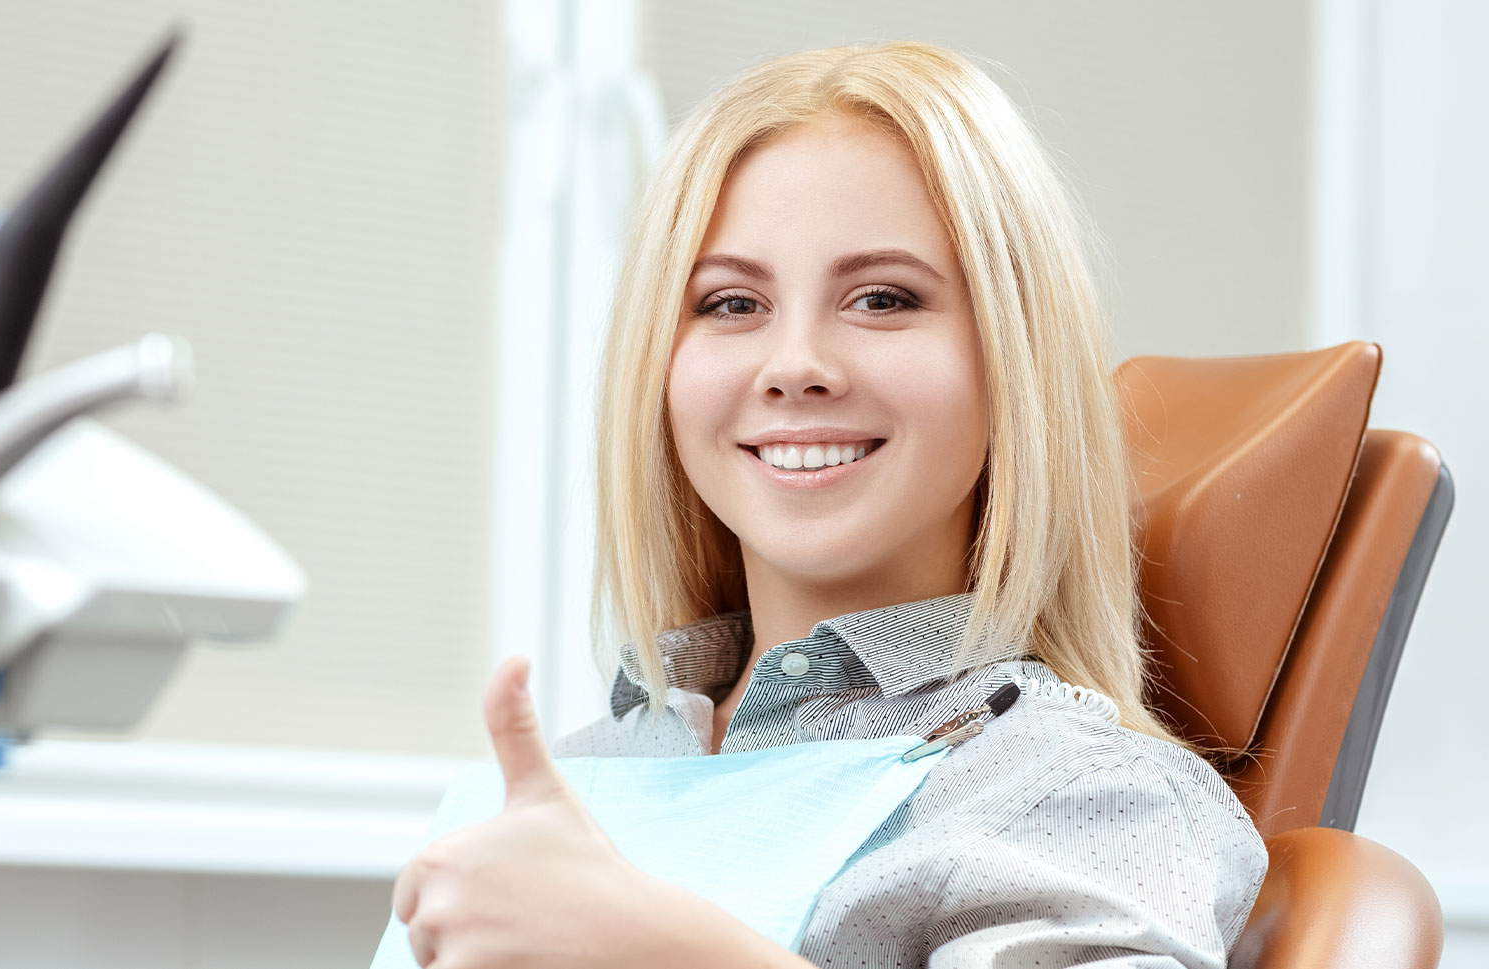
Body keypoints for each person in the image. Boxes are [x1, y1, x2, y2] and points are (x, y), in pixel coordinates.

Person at [390, 41, 1266, 969]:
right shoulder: (580, 775)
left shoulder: (1080, 790)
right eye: (731, 304)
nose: (796, 365)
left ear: (1016, 359)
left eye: (883, 298)